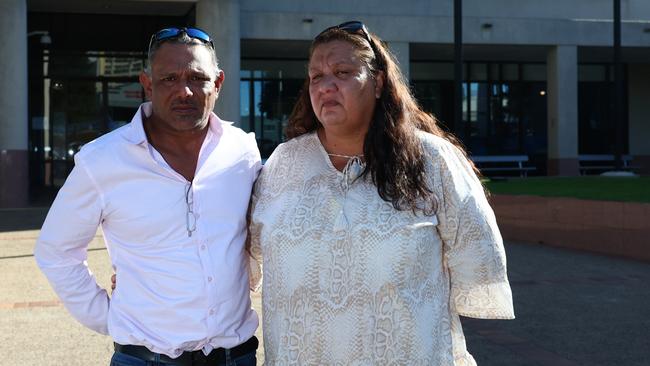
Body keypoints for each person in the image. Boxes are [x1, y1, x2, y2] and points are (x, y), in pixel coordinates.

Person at [249, 21, 514, 365]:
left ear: (377, 83)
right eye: (316, 76)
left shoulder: (432, 160)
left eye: (342, 72)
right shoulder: (284, 163)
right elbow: (247, 255)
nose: (326, 86)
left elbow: (478, 259)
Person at [34, 27, 260, 366]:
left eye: (197, 77)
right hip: (145, 359)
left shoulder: (243, 150)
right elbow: (56, 251)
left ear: (218, 83)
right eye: (169, 79)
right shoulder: (103, 160)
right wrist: (111, 318)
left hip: (235, 356)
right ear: (148, 83)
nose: (184, 90)